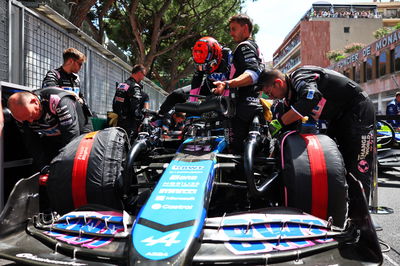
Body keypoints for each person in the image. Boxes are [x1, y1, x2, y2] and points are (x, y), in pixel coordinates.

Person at [257, 66, 375, 201]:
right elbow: (288, 132)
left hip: (359, 110)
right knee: (338, 164)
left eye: (269, 92)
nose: (270, 97)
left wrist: (280, 122)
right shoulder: (290, 98)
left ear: (278, 83)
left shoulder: (299, 76)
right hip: (337, 117)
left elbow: (311, 97)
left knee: (358, 165)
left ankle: (361, 218)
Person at [7, 88, 93, 172]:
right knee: (43, 165)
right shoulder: (22, 115)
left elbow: (71, 136)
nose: (30, 121)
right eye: (25, 119)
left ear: (35, 102)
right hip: (54, 133)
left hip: (78, 129)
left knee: (78, 160)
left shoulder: (58, 100)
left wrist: (64, 166)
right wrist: (43, 166)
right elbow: (31, 142)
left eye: (30, 115)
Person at [213, 14, 264, 152]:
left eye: (234, 29)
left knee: (235, 152)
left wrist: (227, 84)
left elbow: (253, 74)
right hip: (252, 105)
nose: (231, 33)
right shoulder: (254, 46)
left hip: (242, 108)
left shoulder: (244, 47)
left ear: (245, 28)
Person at [158, 36, 232, 116]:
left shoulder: (228, 57)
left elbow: (235, 81)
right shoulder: (201, 59)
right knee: (176, 94)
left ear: (216, 55)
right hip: (208, 87)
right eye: (200, 65)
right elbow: (196, 82)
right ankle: (159, 116)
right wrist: (192, 105)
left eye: (207, 65)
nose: (203, 68)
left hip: (227, 88)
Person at [41, 47, 92, 117]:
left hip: (76, 115)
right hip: (59, 118)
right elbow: (48, 91)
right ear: (71, 61)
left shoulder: (76, 78)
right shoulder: (54, 74)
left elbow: (80, 96)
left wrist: (82, 101)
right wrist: (70, 94)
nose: (81, 67)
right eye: (80, 64)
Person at [112, 64, 149, 140]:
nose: (143, 77)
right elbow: (135, 109)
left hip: (119, 120)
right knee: (129, 145)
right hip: (130, 123)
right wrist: (141, 118)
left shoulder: (122, 85)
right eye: (143, 75)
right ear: (139, 73)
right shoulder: (135, 87)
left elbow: (115, 103)